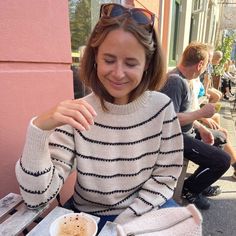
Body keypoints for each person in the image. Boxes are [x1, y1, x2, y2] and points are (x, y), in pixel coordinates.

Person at [15, 3, 183, 232]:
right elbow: (36, 199)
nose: (118, 73)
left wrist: (122, 223)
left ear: (147, 65)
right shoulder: (77, 113)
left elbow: (165, 177)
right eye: (109, 60)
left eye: (131, 63)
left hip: (143, 211)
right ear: (95, 58)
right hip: (86, 219)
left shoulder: (162, 108)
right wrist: (39, 129)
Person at [161, 42, 231, 210]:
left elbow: (185, 113)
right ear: (200, 64)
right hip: (175, 138)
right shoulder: (175, 82)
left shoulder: (183, 79)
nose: (205, 69)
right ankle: (190, 189)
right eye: (206, 65)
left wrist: (202, 128)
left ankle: (199, 184)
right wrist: (201, 114)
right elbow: (168, 120)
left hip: (187, 131)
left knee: (220, 137)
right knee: (223, 160)